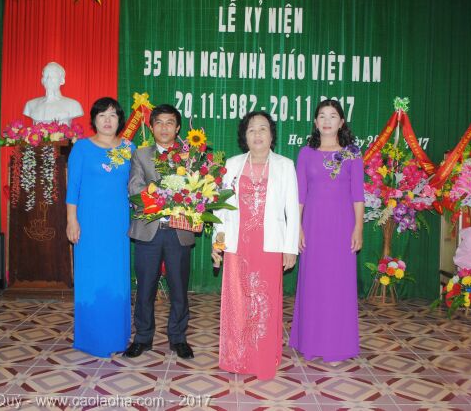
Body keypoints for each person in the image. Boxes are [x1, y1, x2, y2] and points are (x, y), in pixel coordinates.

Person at [212, 111, 299, 380]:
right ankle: (236, 358)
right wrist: (218, 244)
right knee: (237, 302)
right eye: (251, 130)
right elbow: (221, 209)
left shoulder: (285, 165)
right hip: (237, 244)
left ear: (272, 135)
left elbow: (292, 210)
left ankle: (262, 359)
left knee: (264, 303)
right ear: (244, 136)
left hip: (269, 245)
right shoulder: (232, 165)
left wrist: (290, 248)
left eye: (263, 129)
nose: (257, 134)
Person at [289, 99, 364, 364]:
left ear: (341, 122)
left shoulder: (352, 153)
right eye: (322, 115)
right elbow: (300, 194)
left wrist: (359, 228)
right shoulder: (305, 153)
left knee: (338, 285)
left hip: (342, 227)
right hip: (312, 226)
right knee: (313, 283)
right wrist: (297, 227)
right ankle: (310, 341)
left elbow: (358, 195)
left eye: (333, 116)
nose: (327, 121)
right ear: (315, 122)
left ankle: (337, 344)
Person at [66, 97, 135, 358]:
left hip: (118, 225)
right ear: (94, 119)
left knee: (116, 278)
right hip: (89, 223)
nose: (107, 120)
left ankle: (117, 336)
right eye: (102, 115)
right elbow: (73, 187)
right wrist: (71, 220)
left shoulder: (129, 148)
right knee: (91, 277)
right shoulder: (82, 148)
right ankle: (92, 338)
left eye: (113, 115)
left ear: (120, 120)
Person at [125, 104, 195, 360]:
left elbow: (198, 189)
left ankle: (178, 338)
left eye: (170, 123)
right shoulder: (141, 155)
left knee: (179, 290)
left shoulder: (190, 156)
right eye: (159, 123)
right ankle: (143, 338)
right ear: (152, 127)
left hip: (179, 232)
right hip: (149, 231)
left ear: (178, 128)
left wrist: (186, 197)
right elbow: (135, 188)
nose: (164, 128)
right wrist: (165, 197)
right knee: (145, 289)